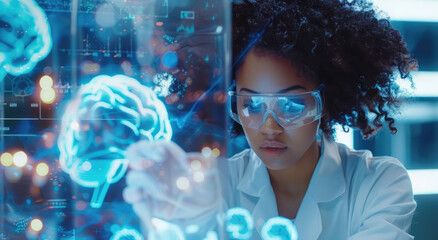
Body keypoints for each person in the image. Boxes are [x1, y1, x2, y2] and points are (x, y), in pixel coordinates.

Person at [123, 0, 417, 239]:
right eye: (250, 104)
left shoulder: (380, 183)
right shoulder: (216, 185)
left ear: (324, 102)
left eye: (290, 104)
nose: (268, 127)